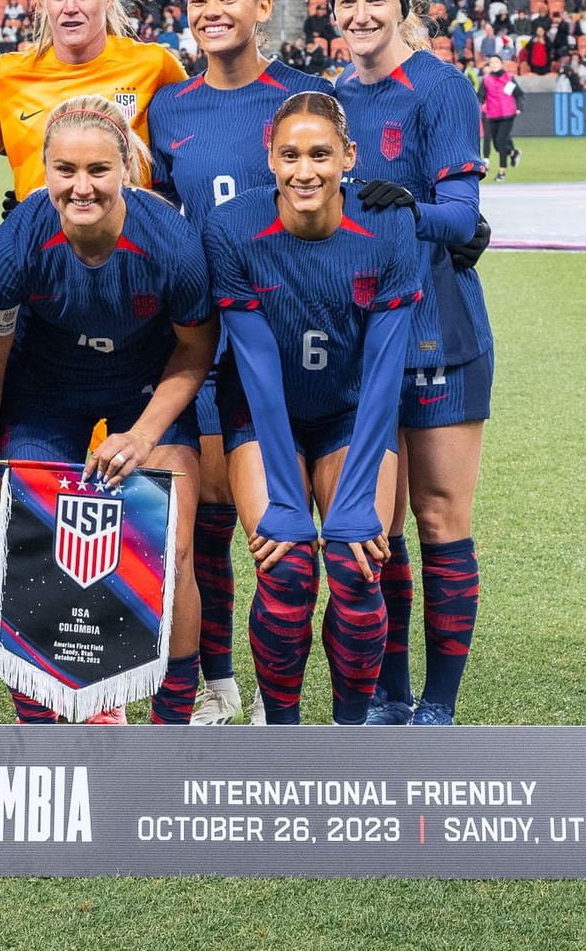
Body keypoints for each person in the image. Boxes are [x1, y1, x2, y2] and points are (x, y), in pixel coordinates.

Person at [0, 96, 216, 725]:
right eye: (65, 170)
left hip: (144, 391)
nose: (81, 186)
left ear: (127, 170)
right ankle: (49, 721)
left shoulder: (171, 243)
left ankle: (173, 725)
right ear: (45, 171)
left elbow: (195, 351)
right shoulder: (17, 243)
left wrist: (142, 435)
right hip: (46, 394)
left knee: (174, 548)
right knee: (37, 544)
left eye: (98, 170)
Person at [145, 0, 333, 725]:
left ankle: (273, 693)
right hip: (200, 337)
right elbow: (157, 214)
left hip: (286, 334)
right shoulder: (170, 107)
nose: (211, 9)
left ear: (265, 6)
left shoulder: (302, 97)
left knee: (276, 531)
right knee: (211, 517)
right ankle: (215, 681)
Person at [203, 92, 421, 724]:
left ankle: (350, 732)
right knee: (288, 565)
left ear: (348, 156)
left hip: (352, 412)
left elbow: (384, 371)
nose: (306, 171)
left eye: (321, 155)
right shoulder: (231, 228)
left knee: (356, 566)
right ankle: (285, 731)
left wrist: (353, 505)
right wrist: (289, 508)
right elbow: (256, 369)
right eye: (290, 155)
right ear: (268, 159)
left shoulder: (389, 227)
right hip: (261, 414)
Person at [328, 0, 493, 727]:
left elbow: (464, 218)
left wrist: (409, 210)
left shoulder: (439, 86)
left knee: (437, 516)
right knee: (376, 525)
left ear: (402, 2)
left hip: (437, 326)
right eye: (347, 3)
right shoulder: (329, 98)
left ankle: (439, 702)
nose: (361, 15)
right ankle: (389, 695)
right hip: (359, 334)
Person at [0, 0, 186, 208]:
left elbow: (194, 148)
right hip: (39, 249)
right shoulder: (7, 75)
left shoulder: (155, 65)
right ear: (42, 0)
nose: (70, 8)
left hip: (131, 249)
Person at [478, 55, 522, 182]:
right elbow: (481, 95)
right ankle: (513, 153)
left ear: (501, 63)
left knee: (501, 141)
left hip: (508, 113)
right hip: (492, 114)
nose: (494, 64)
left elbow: (519, 94)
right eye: (491, 62)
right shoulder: (486, 79)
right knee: (497, 145)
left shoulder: (509, 78)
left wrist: (519, 107)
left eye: (496, 61)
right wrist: (478, 104)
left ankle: (502, 172)